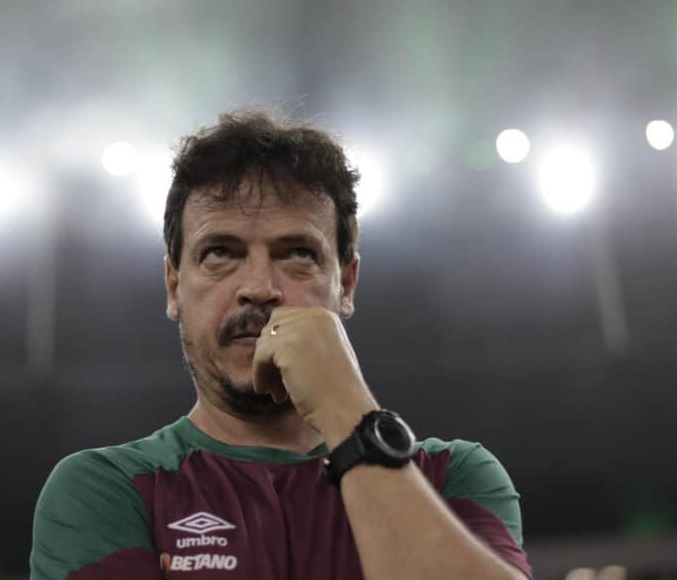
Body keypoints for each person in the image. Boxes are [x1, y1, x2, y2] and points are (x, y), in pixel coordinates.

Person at [30, 110, 532, 580]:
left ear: (347, 284)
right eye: (220, 253)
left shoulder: (452, 477)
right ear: (174, 285)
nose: (259, 286)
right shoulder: (105, 490)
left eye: (297, 254)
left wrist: (347, 414)